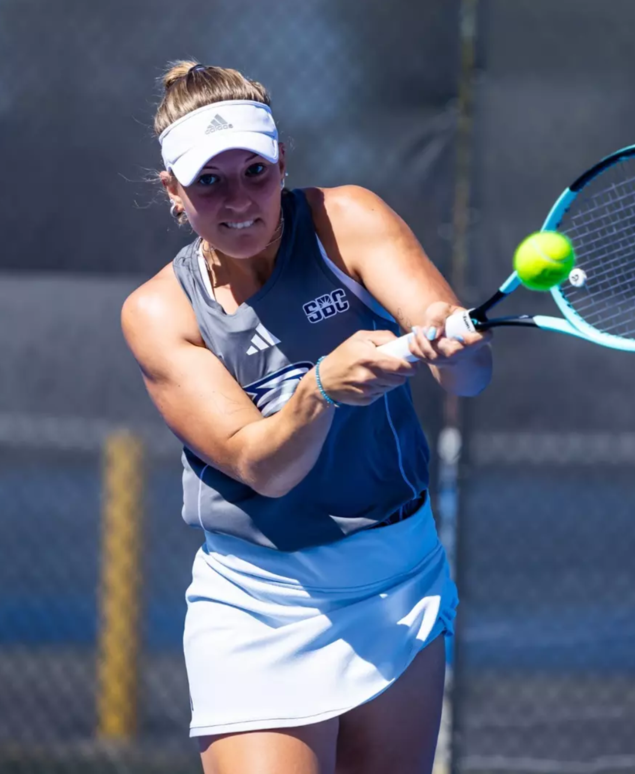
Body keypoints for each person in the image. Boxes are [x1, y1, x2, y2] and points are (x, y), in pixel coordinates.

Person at [120, 60, 492, 774]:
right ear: (174, 193)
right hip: (259, 601)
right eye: (210, 181)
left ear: (282, 162)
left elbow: (469, 378)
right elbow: (263, 465)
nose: (239, 200)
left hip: (396, 578)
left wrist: (453, 344)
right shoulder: (158, 312)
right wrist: (320, 388)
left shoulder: (346, 220)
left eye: (255, 172)